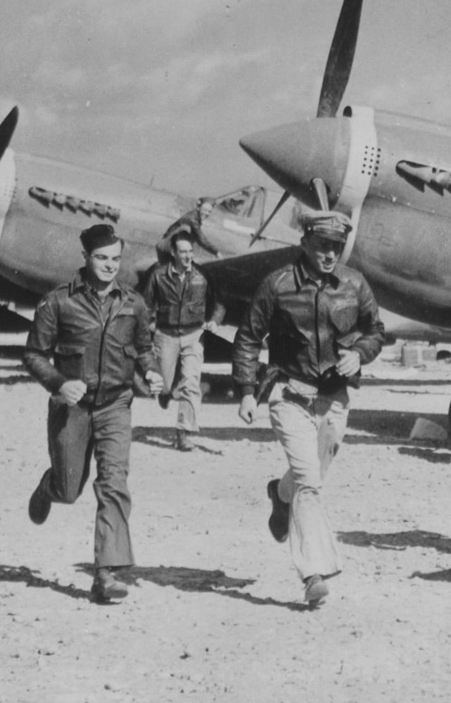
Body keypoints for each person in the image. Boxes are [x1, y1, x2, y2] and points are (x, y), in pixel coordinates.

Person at [233, 210, 384, 608]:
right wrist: (248, 390)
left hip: (334, 399)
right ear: (305, 243)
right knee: (310, 484)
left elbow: (375, 330)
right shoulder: (277, 285)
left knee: (308, 477)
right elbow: (248, 337)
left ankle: (279, 496)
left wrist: (359, 354)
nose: (330, 253)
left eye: (336, 246)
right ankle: (314, 573)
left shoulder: (354, 284)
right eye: (322, 245)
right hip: (290, 394)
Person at [22, 224, 162, 604]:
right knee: (70, 490)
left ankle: (106, 573)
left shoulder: (133, 303)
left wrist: (150, 369)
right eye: (102, 258)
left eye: (116, 259)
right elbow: (33, 354)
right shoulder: (59, 302)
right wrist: (58, 383)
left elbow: (144, 345)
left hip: (116, 404)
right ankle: (49, 487)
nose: (110, 266)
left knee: (114, 482)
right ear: (85, 258)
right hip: (72, 406)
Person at [140, 230, 224, 451]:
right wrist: (149, 324)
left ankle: (183, 433)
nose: (188, 256)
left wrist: (215, 321)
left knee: (191, 383)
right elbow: (145, 305)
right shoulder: (157, 275)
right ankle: (167, 392)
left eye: (190, 251)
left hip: (194, 335)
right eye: (183, 252)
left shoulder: (203, 276)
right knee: (162, 384)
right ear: (174, 253)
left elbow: (219, 304)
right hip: (165, 335)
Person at [158, 197, 219, 262]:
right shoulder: (192, 220)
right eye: (205, 210)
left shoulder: (194, 216)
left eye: (209, 211)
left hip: (167, 246)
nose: (207, 213)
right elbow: (201, 240)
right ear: (198, 208)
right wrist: (216, 252)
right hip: (166, 247)